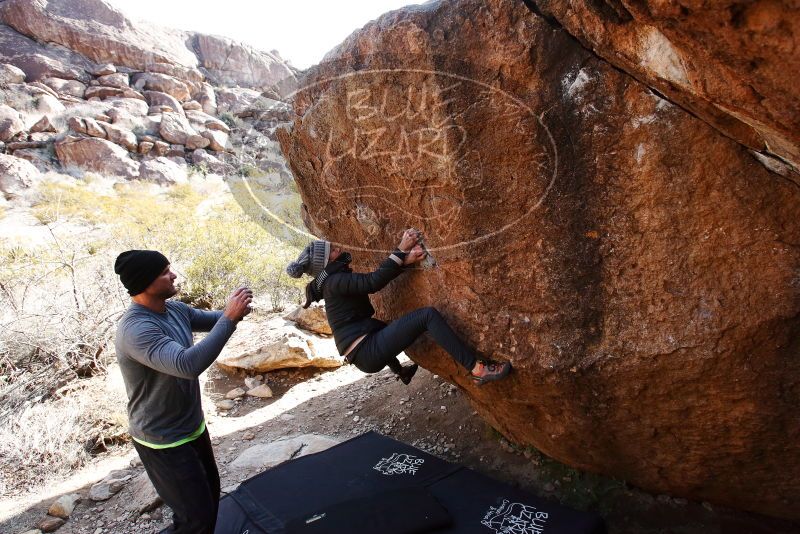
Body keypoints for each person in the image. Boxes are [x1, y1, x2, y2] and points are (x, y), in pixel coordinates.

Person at [113, 250, 252, 534]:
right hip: (163, 440)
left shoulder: (175, 310)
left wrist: (238, 308)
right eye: (165, 272)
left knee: (209, 503)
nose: (173, 274)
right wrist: (230, 317)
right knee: (195, 520)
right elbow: (188, 364)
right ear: (145, 282)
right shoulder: (137, 329)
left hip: (192, 427)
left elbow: (218, 320)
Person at [286, 229, 511, 385]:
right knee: (427, 317)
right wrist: (401, 249)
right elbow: (373, 282)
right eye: (332, 250)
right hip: (367, 351)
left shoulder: (331, 282)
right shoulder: (335, 282)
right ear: (327, 262)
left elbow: (370, 290)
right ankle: (477, 369)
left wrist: (404, 261)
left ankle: (401, 371)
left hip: (365, 350)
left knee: (390, 327)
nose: (337, 248)